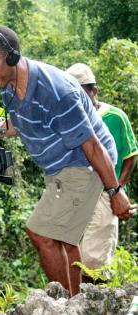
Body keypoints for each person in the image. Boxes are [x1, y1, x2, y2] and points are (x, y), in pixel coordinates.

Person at [0, 25, 136, 296]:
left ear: (10, 58)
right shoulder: (8, 86)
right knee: (67, 241)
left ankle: (69, 305)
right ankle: (79, 300)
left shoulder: (56, 91)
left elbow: (92, 146)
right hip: (60, 165)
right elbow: (16, 123)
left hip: (84, 162)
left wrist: (115, 192)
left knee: (42, 234)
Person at [66, 63, 138, 277]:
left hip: (104, 192)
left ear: (93, 91)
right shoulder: (68, 119)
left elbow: (130, 155)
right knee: (72, 254)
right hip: (74, 192)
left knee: (95, 259)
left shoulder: (115, 117)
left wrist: (117, 188)